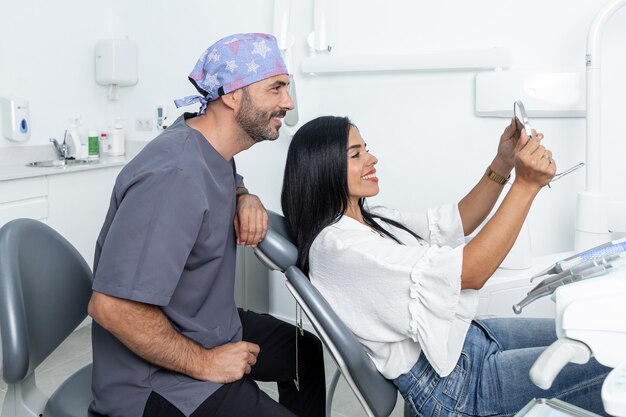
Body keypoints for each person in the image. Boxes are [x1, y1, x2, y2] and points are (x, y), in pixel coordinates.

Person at [281, 115, 611, 416]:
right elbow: (471, 273)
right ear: (322, 168)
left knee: (597, 337)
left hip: (469, 340)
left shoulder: (370, 218)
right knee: (610, 365)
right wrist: (526, 186)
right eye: (356, 155)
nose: (372, 158)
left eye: (366, 149)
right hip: (457, 388)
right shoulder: (341, 249)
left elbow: (454, 222)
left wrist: (504, 161)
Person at [88, 33, 325, 417]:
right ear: (232, 95)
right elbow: (112, 307)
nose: (288, 102)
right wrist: (207, 364)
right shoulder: (172, 176)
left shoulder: (212, 149)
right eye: (276, 88)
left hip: (204, 323)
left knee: (304, 352)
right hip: (152, 382)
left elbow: (217, 180)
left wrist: (244, 195)